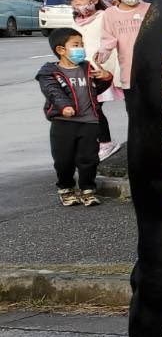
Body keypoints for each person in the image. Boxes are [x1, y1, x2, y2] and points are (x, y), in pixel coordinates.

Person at [37, 27, 112, 206]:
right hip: (63, 122)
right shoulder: (49, 72)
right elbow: (53, 92)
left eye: (82, 44)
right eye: (76, 45)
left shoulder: (86, 67)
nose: (81, 48)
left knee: (89, 158)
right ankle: (66, 188)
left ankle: (88, 189)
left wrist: (105, 77)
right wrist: (64, 107)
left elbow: (96, 89)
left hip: (89, 121)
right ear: (61, 50)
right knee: (64, 160)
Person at [67, 0, 119, 155]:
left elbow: (111, 43)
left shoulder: (104, 17)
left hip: (100, 71)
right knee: (90, 107)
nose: (78, 3)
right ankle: (96, 142)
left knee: (94, 107)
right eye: (74, 0)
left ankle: (105, 143)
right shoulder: (75, 22)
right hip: (81, 71)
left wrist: (106, 69)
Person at [93, 0, 148, 115]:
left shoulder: (150, 9)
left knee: (154, 111)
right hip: (128, 71)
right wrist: (102, 54)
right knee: (134, 111)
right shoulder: (110, 14)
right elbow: (108, 39)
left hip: (151, 71)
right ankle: (136, 138)